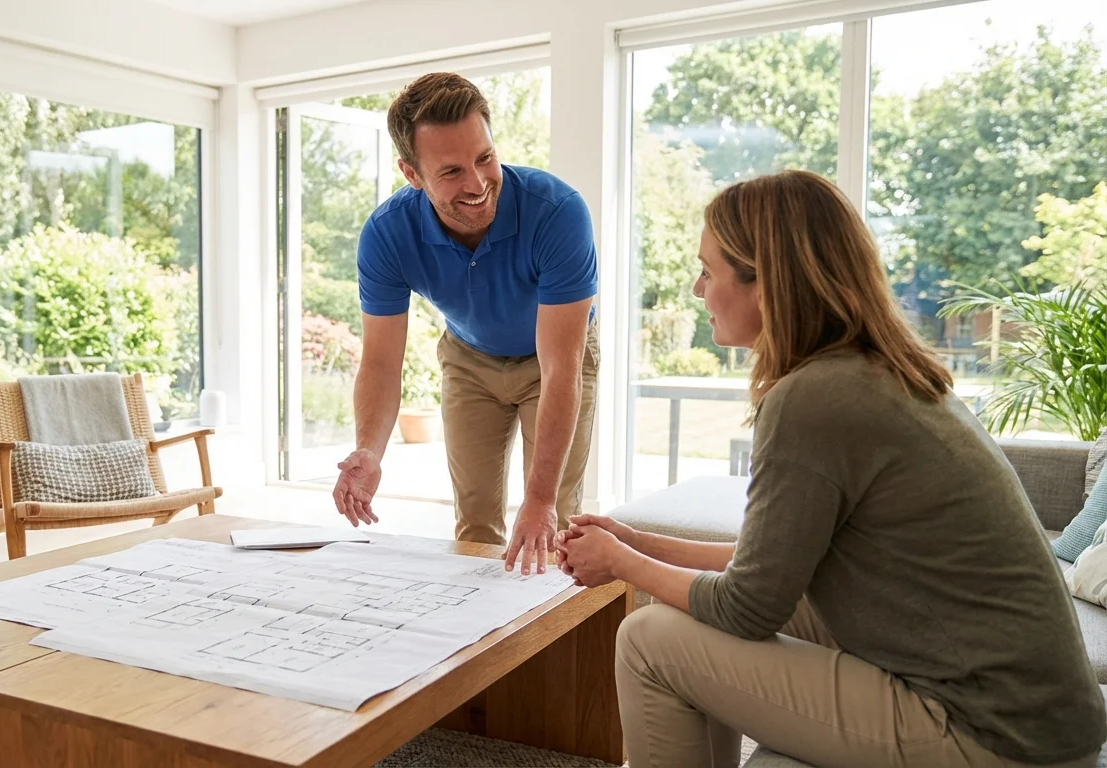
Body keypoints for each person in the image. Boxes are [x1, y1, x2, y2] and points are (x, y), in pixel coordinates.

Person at [556, 170, 1106, 767]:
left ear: (764, 282)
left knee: (648, 639)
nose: (696, 288)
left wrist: (621, 564)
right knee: (684, 611)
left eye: (708, 271)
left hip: (993, 734)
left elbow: (746, 607)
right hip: (1039, 716)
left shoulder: (814, 399)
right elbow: (770, 570)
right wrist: (638, 542)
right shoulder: (876, 372)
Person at [331, 73, 599, 576]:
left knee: (552, 518)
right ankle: (487, 642)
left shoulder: (558, 213)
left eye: (484, 158)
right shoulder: (387, 235)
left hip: (554, 360)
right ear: (411, 173)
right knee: (474, 521)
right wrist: (369, 449)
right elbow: (382, 363)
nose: (477, 185)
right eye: (451, 171)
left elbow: (562, 369)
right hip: (469, 356)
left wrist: (537, 501)